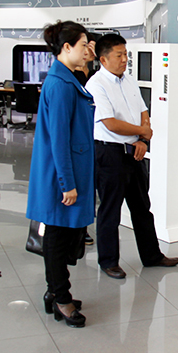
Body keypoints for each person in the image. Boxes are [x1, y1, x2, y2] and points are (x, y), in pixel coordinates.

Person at [86, 33, 178, 279]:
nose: (124, 59)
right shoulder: (96, 85)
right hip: (110, 153)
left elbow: (143, 111)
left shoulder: (128, 80)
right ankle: (109, 261)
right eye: (119, 55)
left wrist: (142, 139)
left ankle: (152, 256)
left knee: (142, 208)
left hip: (134, 152)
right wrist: (142, 131)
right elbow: (110, 123)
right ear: (103, 59)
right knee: (110, 210)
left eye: (125, 54)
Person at [26, 21, 96, 328]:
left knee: (63, 236)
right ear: (66, 47)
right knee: (56, 238)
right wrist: (67, 184)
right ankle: (61, 299)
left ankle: (54, 292)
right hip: (61, 176)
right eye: (83, 45)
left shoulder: (67, 79)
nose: (88, 50)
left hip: (68, 172)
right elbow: (59, 139)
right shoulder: (61, 85)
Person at [72, 31, 99, 247]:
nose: (89, 51)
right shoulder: (71, 76)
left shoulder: (95, 74)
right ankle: (78, 229)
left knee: (89, 184)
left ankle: (84, 226)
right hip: (79, 136)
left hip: (95, 133)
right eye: (86, 46)